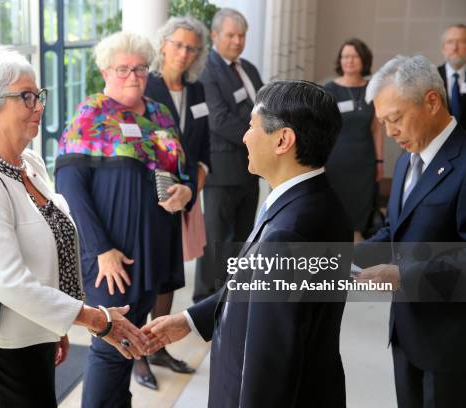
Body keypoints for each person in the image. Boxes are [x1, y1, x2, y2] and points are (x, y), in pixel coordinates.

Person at [143, 80, 353, 408]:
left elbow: (270, 362)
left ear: (283, 139)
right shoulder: (312, 201)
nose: (244, 137)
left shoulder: (290, 232)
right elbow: (254, 285)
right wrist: (191, 319)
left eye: (252, 125)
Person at [0, 49, 150, 408]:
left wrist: (57, 326)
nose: (38, 105)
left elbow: (54, 242)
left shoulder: (28, 163)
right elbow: (9, 281)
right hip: (6, 351)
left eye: (38, 95)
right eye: (26, 96)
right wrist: (94, 318)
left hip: (39, 336)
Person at [54, 32, 196, 407]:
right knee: (111, 349)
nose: (133, 76)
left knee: (132, 345)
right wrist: (102, 249)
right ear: (104, 71)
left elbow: (181, 173)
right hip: (112, 257)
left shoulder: (161, 114)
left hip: (156, 249)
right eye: (123, 69)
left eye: (140, 68)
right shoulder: (90, 116)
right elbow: (70, 189)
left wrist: (186, 192)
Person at [354, 55, 466, 407]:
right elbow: (394, 230)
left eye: (396, 118)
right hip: (406, 334)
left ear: (432, 101)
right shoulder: (407, 161)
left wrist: (403, 275)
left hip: (452, 346)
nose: (389, 132)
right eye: (383, 122)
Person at [136, 15, 210, 389]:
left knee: (169, 276)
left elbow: (203, 151)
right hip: (149, 197)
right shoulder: (144, 87)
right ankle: (138, 354)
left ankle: (158, 346)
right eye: (178, 44)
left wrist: (191, 192)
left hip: (182, 198)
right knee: (146, 277)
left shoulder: (197, 91)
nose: (183, 53)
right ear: (164, 44)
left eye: (191, 48)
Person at [195, 7, 263, 302]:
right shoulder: (206, 71)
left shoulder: (248, 68)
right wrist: (258, 139)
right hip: (221, 170)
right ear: (214, 36)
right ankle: (205, 296)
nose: (237, 41)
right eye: (231, 35)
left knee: (242, 236)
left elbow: (264, 108)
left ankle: (231, 290)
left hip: (250, 169)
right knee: (215, 239)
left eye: (242, 35)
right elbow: (219, 120)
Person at [324, 38, 383, 242]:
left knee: (360, 212)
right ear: (340, 61)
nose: (349, 60)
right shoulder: (329, 90)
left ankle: (357, 260)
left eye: (354, 56)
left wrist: (379, 161)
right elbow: (322, 128)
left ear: (364, 59)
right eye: (345, 56)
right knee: (336, 209)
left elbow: (376, 128)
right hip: (335, 160)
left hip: (364, 162)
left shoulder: (374, 89)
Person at [438, 24, 466, 128]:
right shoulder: (431, 78)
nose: (455, 48)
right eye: (450, 42)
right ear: (443, 48)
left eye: (461, 42)